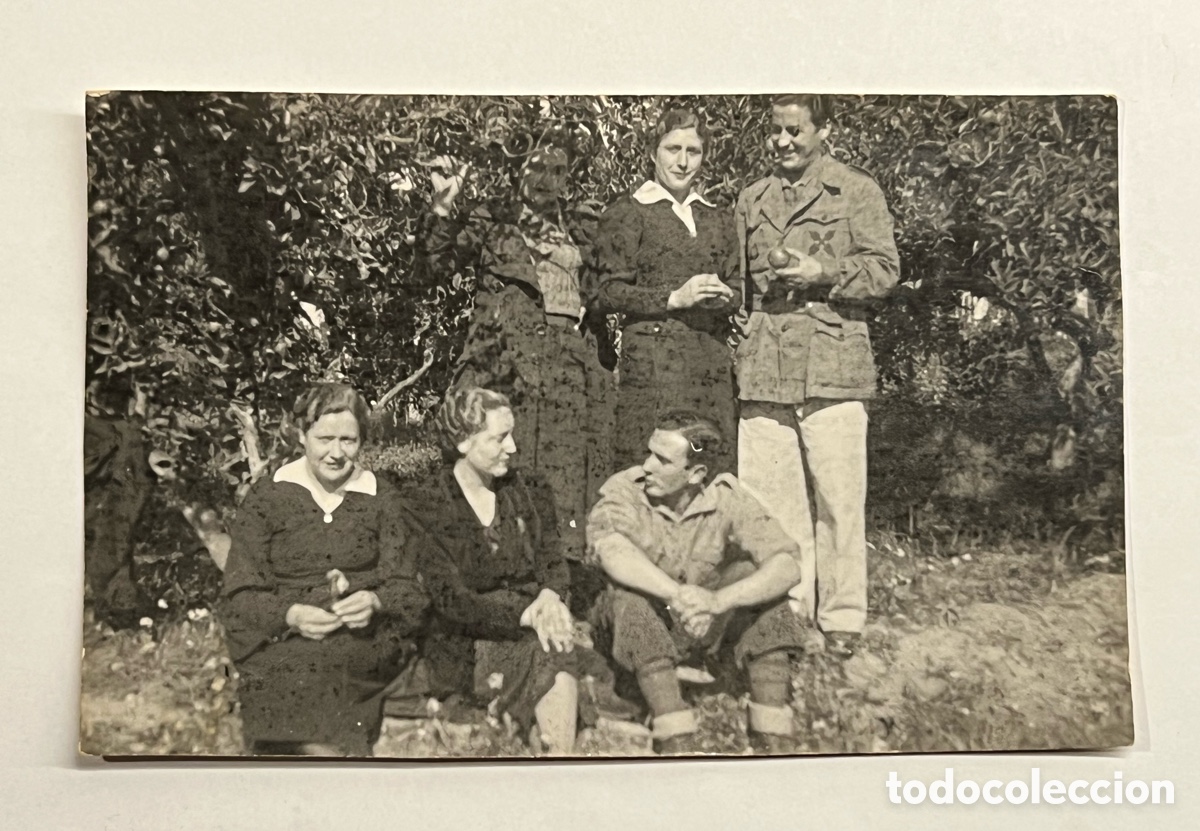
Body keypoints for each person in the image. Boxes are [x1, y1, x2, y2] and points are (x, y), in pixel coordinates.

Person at [733, 94, 900, 658]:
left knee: (839, 499)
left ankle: (844, 617)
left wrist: (824, 272)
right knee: (772, 503)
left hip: (834, 365)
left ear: (823, 130)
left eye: (795, 130)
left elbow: (884, 270)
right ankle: (788, 611)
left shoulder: (857, 189)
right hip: (763, 368)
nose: (782, 142)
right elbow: (739, 284)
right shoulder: (751, 198)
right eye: (774, 132)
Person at [417, 135, 615, 598]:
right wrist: (442, 208)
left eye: (558, 171)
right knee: (502, 465)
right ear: (518, 169)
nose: (547, 180)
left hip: (569, 366)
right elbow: (430, 270)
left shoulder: (582, 226)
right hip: (505, 361)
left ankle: (561, 589)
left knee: (565, 479)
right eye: (537, 168)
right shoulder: (493, 220)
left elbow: (606, 287)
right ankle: (495, 581)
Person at [397, 387, 616, 755]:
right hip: (468, 637)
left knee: (550, 648)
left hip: (532, 625)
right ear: (463, 442)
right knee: (548, 650)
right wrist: (528, 615)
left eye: (511, 435)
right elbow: (451, 599)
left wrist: (549, 597)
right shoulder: (426, 503)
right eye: (499, 438)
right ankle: (547, 748)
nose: (513, 447)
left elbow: (552, 562)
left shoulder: (528, 489)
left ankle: (555, 757)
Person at [586, 411, 812, 755]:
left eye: (662, 460)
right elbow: (613, 551)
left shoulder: (725, 496)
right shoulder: (625, 489)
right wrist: (678, 595)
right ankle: (674, 730)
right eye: (649, 453)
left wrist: (717, 602)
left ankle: (772, 730)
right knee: (627, 595)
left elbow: (788, 565)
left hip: (702, 624)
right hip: (636, 630)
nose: (647, 465)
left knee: (760, 581)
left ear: (696, 474)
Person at [220, 383, 428, 756]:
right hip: (284, 637)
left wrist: (375, 601)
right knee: (290, 669)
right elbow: (241, 593)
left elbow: (408, 588)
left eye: (348, 440)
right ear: (302, 436)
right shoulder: (270, 496)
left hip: (362, 639)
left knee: (335, 662)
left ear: (362, 440)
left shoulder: (382, 498)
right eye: (324, 438)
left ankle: (321, 766)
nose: (336, 453)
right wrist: (290, 614)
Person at [593, 106, 741, 476]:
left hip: (709, 366)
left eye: (693, 151)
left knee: (709, 473)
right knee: (653, 474)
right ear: (652, 152)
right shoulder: (628, 212)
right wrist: (674, 298)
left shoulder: (717, 218)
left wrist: (725, 295)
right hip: (653, 370)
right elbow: (609, 292)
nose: (682, 161)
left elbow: (739, 286)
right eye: (672, 149)